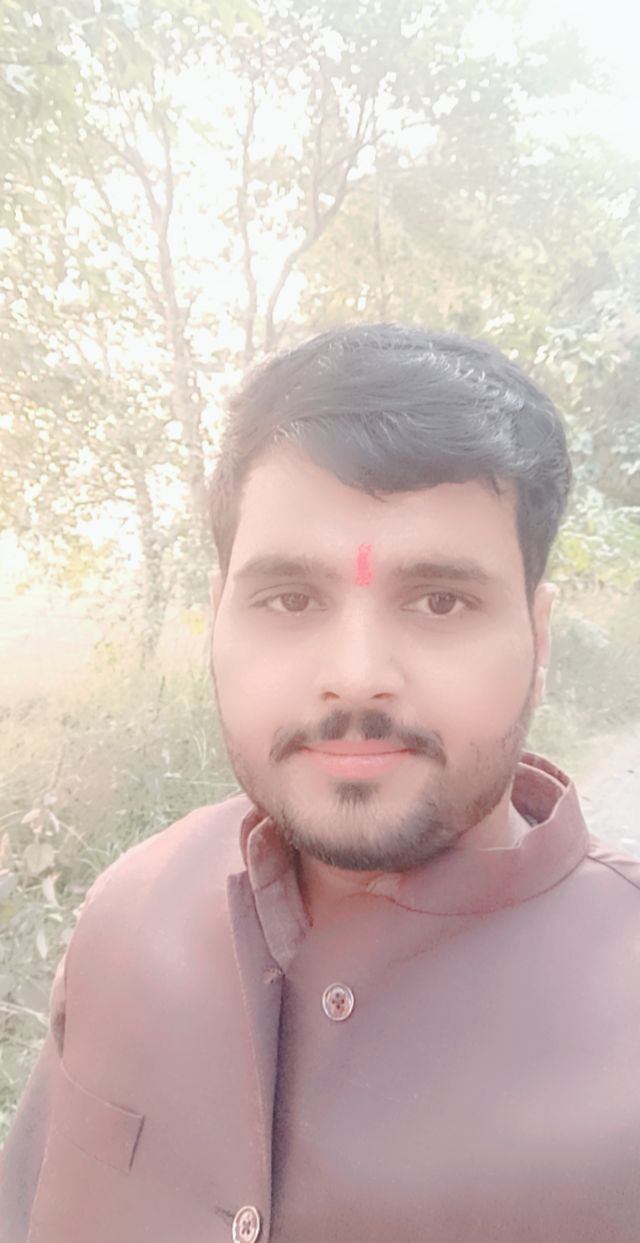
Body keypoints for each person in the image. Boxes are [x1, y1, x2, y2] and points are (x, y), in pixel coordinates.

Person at [2, 323, 638, 1243]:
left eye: (441, 600)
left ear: (538, 640)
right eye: (290, 599)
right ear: (218, 618)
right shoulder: (127, 915)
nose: (357, 674)